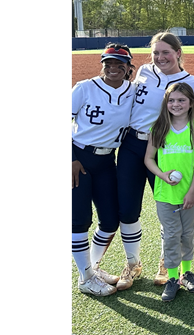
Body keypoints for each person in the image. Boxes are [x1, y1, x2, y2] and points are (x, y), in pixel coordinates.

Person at [116, 32, 194, 289]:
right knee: (128, 208)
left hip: (169, 148)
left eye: (166, 52)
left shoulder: (193, 83)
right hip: (134, 145)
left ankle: (168, 261)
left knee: (172, 208)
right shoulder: (144, 70)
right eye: (156, 52)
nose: (160, 57)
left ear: (178, 53)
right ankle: (132, 263)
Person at [71, 44, 136, 297]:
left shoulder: (133, 91)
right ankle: (85, 277)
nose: (113, 68)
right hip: (79, 158)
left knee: (110, 220)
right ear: (102, 65)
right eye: (108, 63)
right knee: (79, 221)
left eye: (120, 64)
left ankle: (93, 267)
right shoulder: (85, 88)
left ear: (129, 68)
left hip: (107, 160)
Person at [143, 82, 194, 302]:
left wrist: (192, 192)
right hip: (165, 194)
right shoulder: (160, 128)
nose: (176, 104)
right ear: (166, 103)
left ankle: (187, 273)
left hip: (189, 194)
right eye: (171, 100)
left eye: (182, 100)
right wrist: (162, 175)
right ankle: (173, 278)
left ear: (191, 103)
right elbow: (148, 159)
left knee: (187, 234)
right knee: (171, 235)